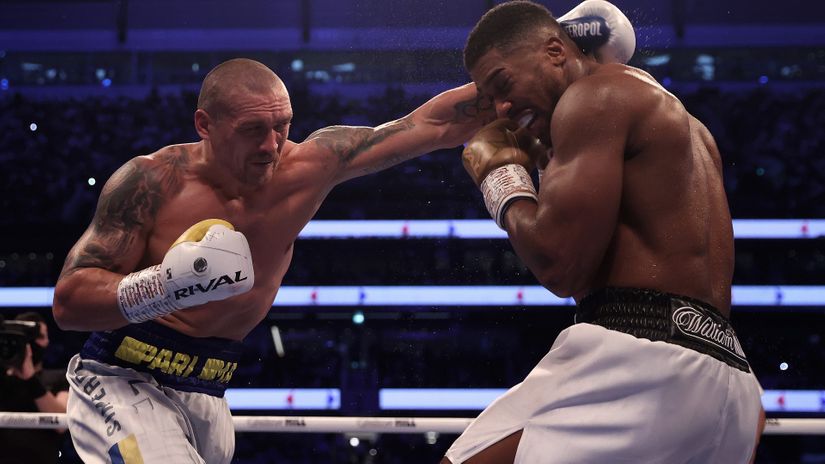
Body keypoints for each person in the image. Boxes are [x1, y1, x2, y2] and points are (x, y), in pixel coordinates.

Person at [51, 56, 498, 463]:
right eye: (252, 130)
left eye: (282, 126)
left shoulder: (309, 167)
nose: (271, 145)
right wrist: (165, 285)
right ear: (205, 124)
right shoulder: (151, 182)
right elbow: (69, 304)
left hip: (210, 387)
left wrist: (528, 67)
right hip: (121, 373)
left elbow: (432, 124)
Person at [445, 1, 765, 463]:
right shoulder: (686, 126)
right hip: (731, 382)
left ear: (555, 51)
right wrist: (541, 156)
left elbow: (560, 265)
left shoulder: (593, 96)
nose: (502, 108)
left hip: (642, 358)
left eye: (503, 84)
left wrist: (502, 180)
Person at [0, 312, 69, 464]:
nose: (32, 342)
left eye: (39, 336)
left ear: (47, 340)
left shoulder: (60, 377)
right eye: (28, 337)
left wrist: (30, 378)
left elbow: (61, 424)